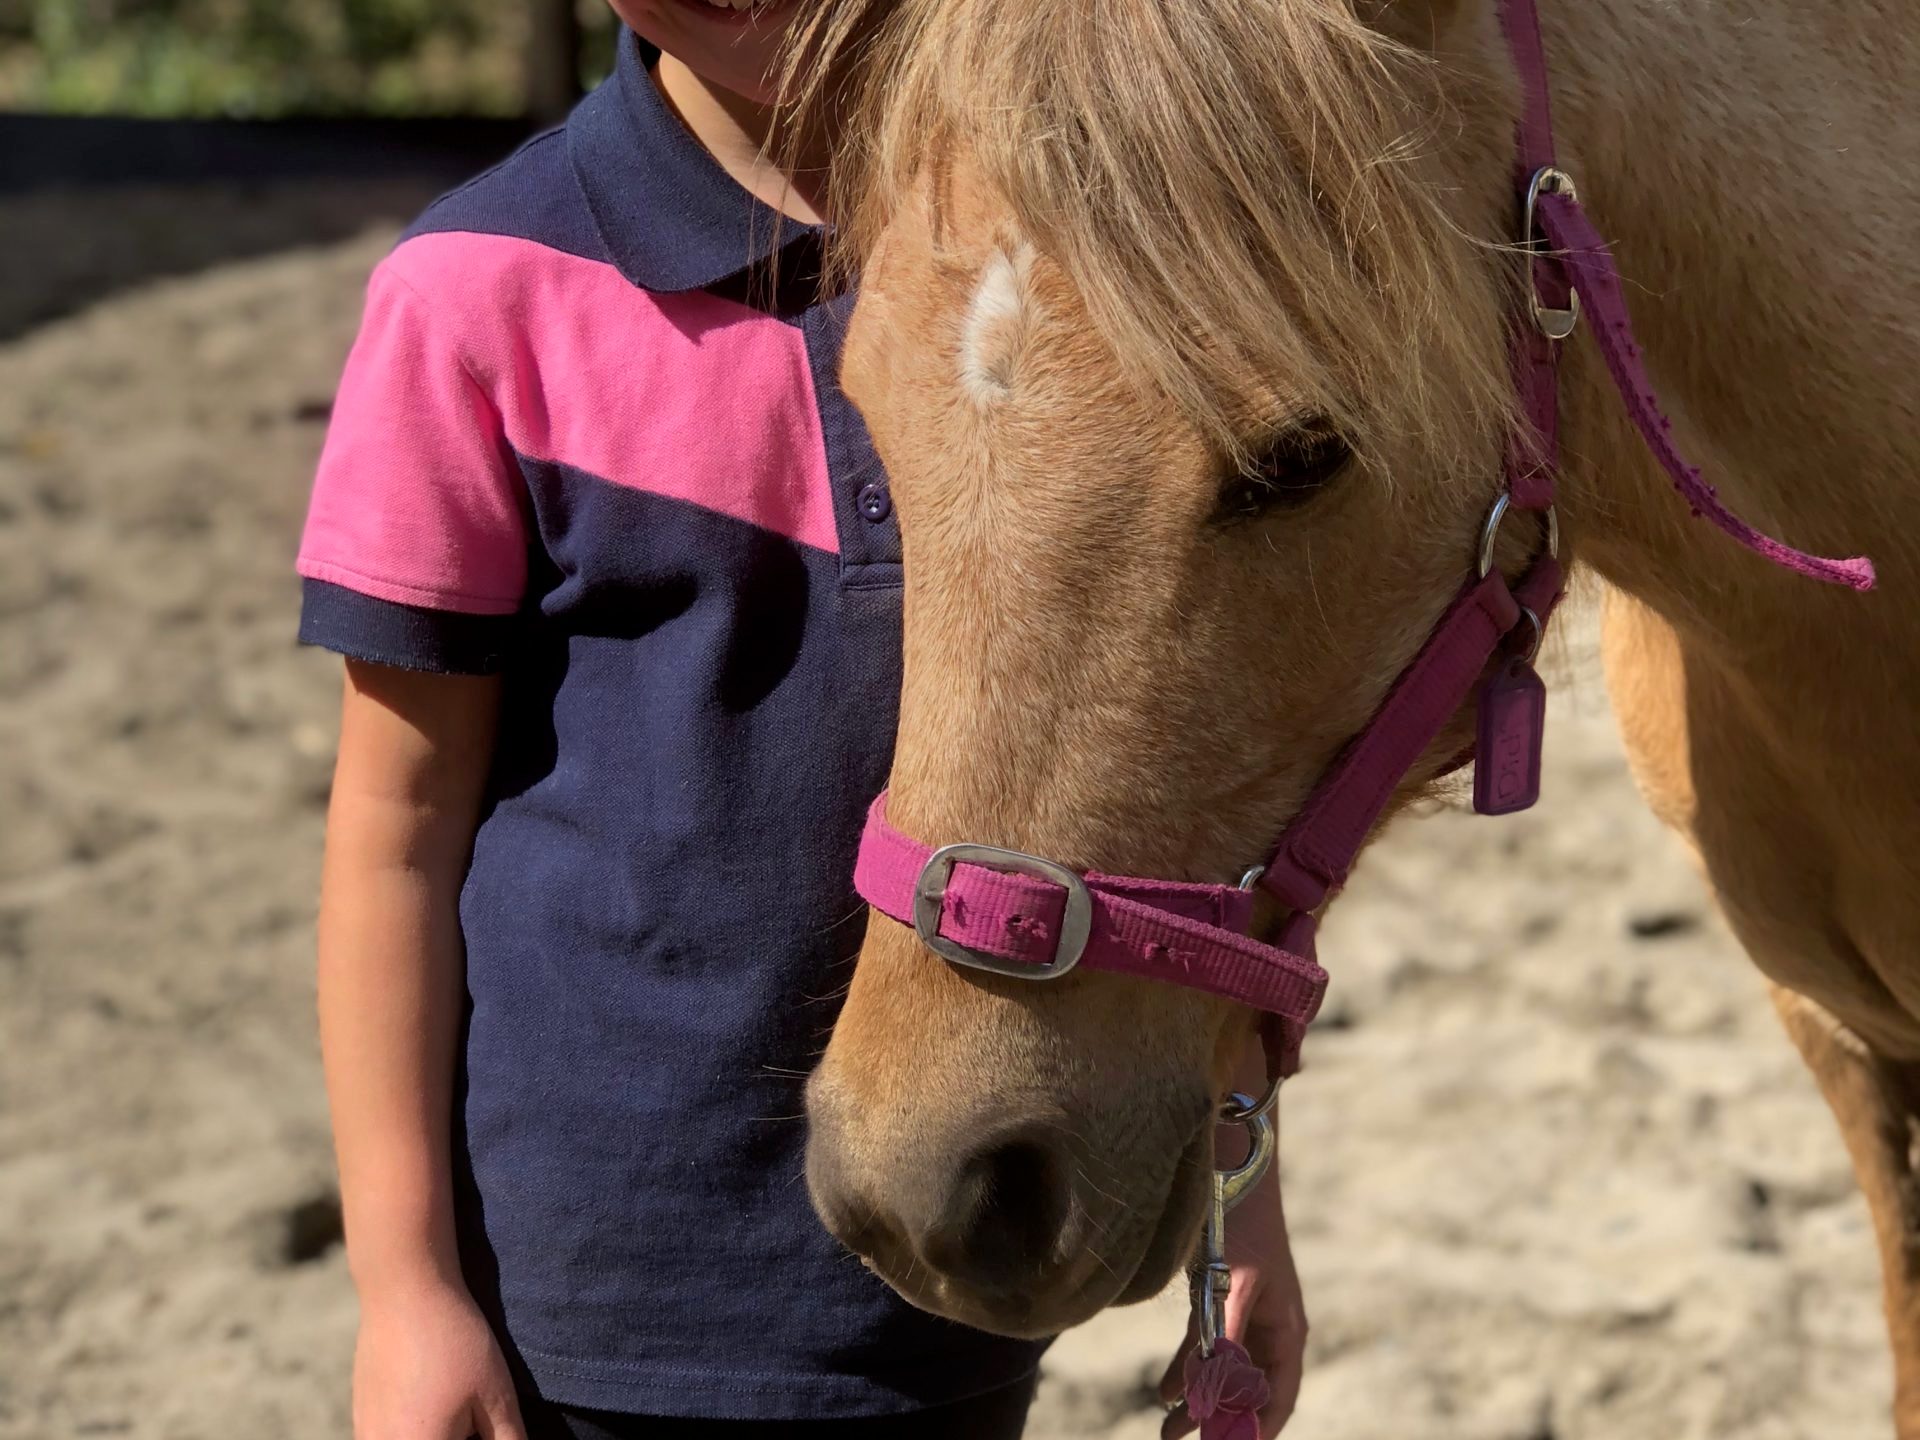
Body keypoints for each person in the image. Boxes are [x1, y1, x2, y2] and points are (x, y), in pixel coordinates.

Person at [299, 3, 1308, 1437]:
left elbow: (1156, 812)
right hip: (589, 1307)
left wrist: (1239, 1198)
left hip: (966, 1244)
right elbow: (394, 830)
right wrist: (405, 1293)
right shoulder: (470, 296)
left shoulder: (1097, 283)